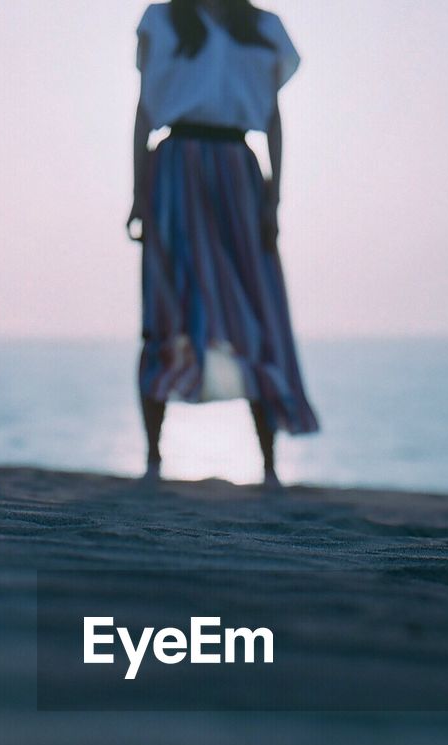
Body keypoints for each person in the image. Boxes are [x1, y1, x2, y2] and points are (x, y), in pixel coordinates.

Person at [129, 0, 319, 488]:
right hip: (173, 168)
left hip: (237, 171)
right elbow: (145, 109)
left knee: (255, 309)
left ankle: (269, 466)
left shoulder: (263, 27)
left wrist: (273, 199)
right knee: (167, 308)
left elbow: (272, 116)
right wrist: (137, 196)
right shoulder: (162, 20)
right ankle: (153, 459)